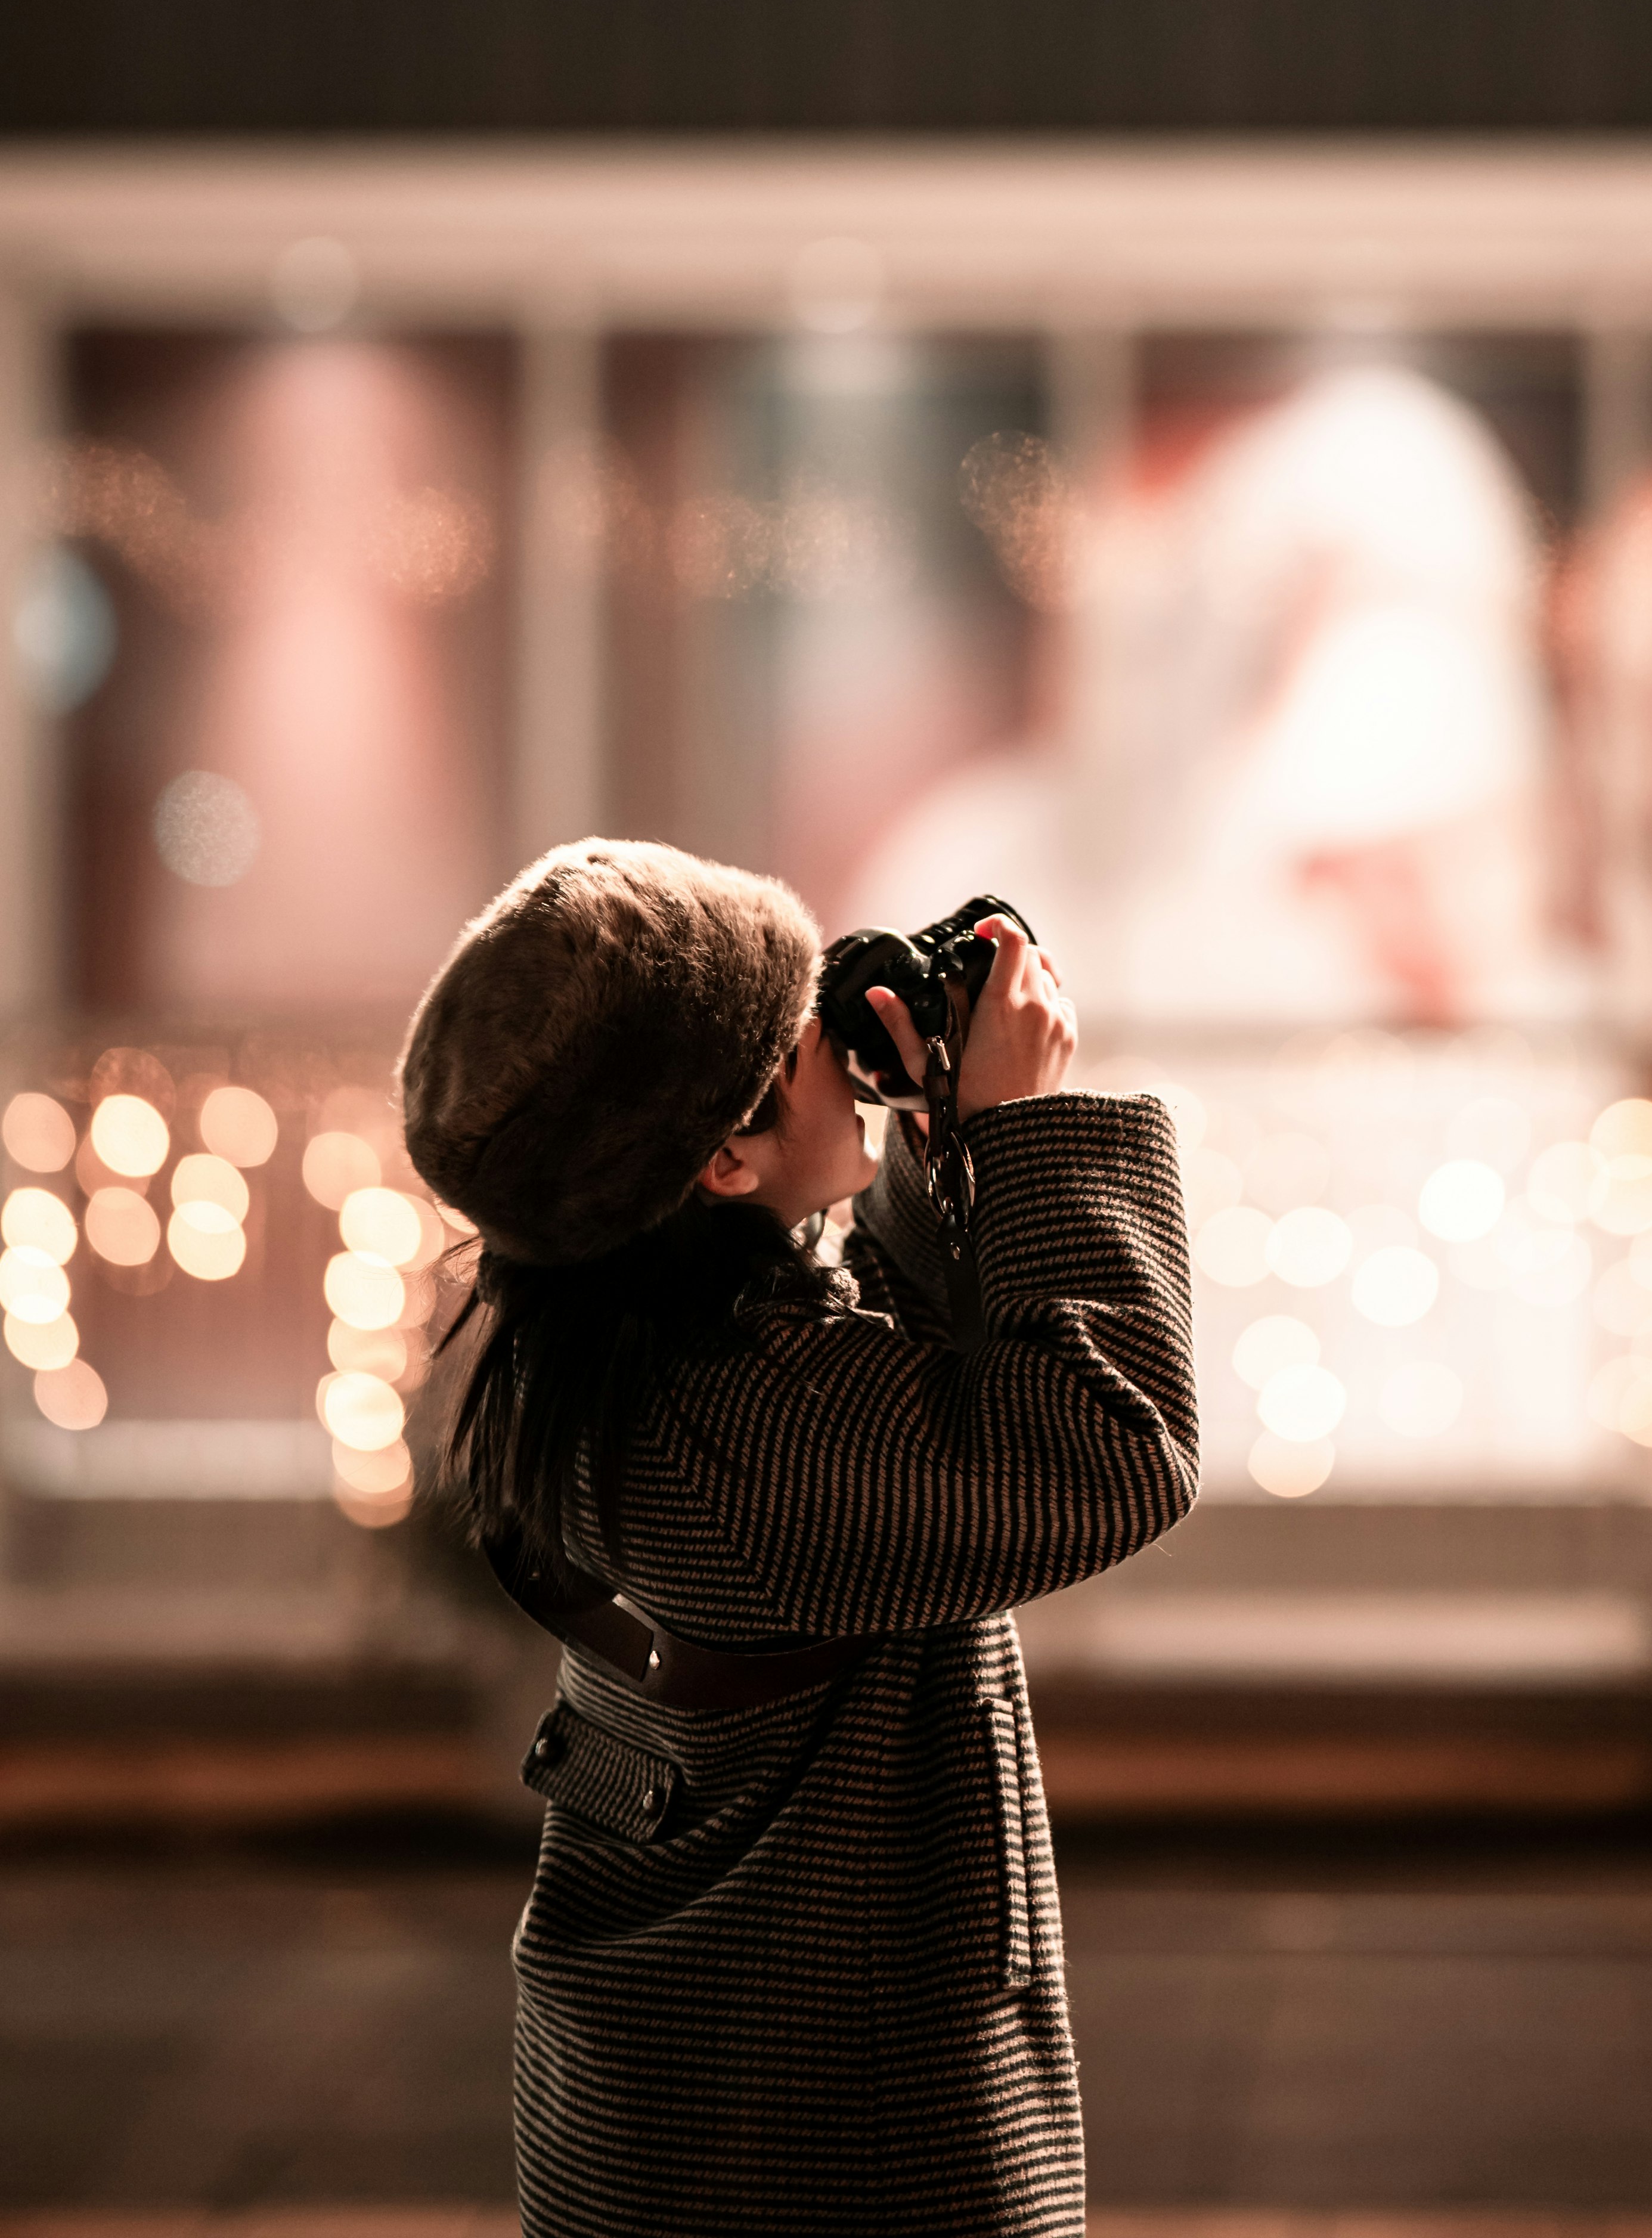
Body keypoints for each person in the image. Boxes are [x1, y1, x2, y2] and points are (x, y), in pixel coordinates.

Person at [399, 838, 1198, 2238]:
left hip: (663, 2089)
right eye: (796, 1033)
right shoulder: (755, 1440)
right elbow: (1111, 1447)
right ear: (719, 1159)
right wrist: (1022, 1130)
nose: (836, 1036)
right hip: (833, 2126)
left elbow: (855, 1378)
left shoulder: (597, 1347)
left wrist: (930, 1142)